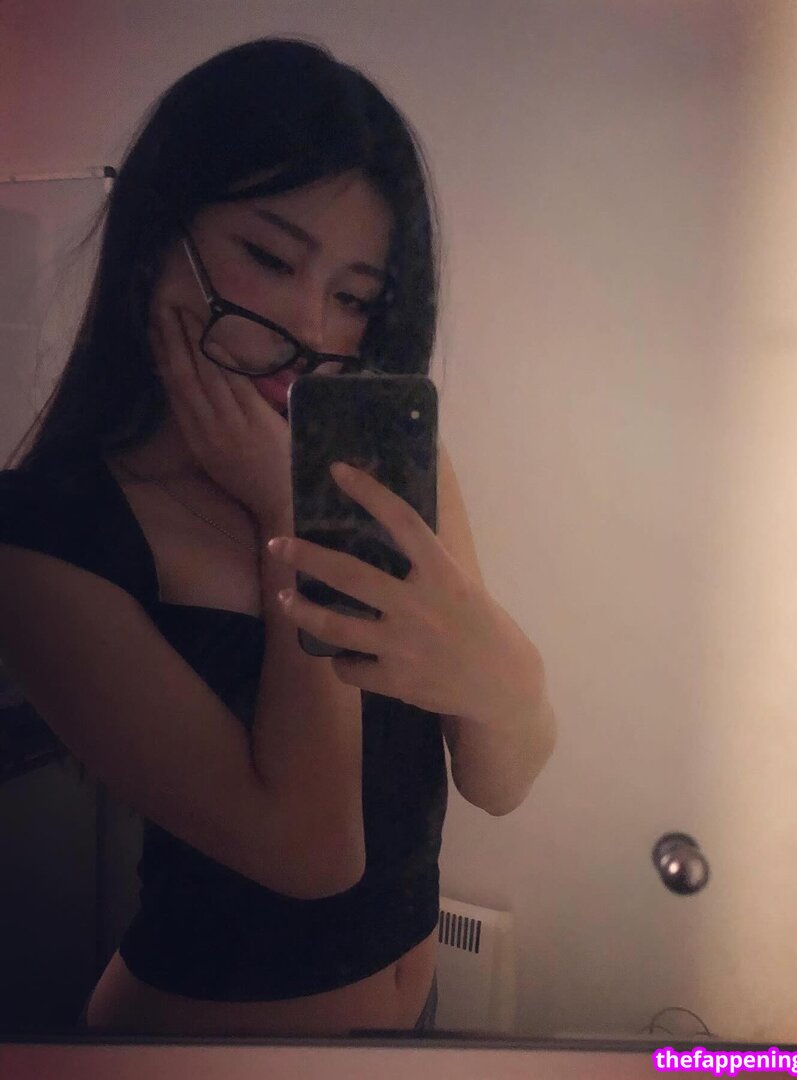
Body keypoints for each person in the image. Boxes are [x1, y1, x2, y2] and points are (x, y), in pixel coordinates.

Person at [0, 38, 557, 1038]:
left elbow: (499, 778)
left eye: (352, 297)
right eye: (268, 258)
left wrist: (510, 677)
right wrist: (285, 520)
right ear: (154, 240)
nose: (310, 328)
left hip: (407, 1028)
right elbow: (311, 854)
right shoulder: (49, 535)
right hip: (193, 1045)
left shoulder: (387, 472)